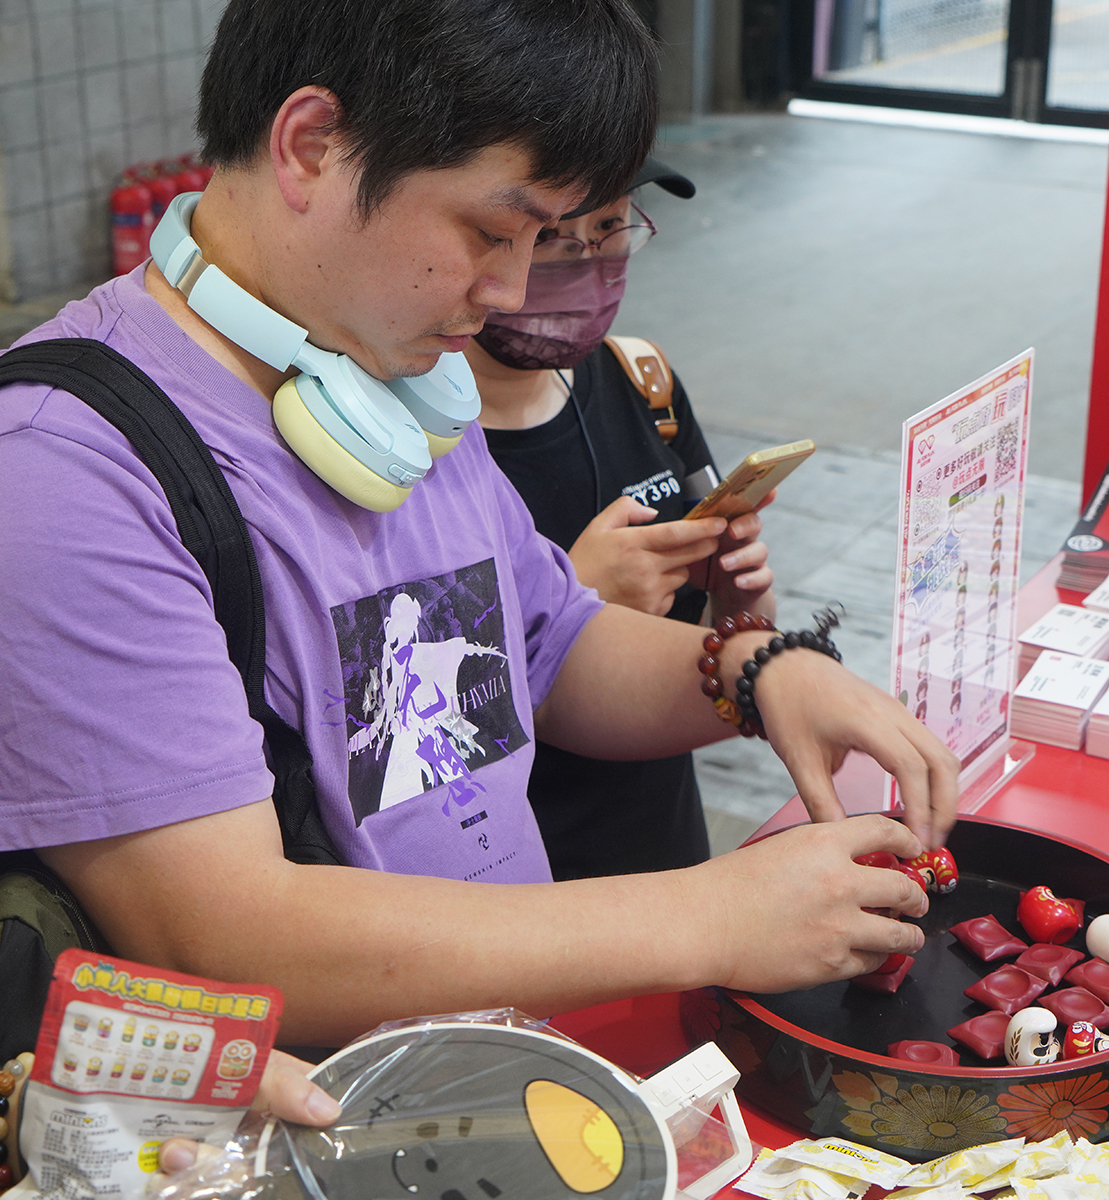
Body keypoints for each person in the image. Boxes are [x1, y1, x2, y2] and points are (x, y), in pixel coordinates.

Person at [0, 0, 958, 1052]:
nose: (509, 291)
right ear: (311, 146)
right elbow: (221, 934)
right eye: (494, 232)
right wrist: (706, 917)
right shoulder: (65, 469)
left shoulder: (391, 373)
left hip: (490, 1067)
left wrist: (755, 669)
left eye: (545, 238)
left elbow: (544, 644)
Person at [472, 158, 771, 879]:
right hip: (522, 891)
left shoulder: (645, 383)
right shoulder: (410, 453)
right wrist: (567, 605)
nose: (586, 263)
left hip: (669, 858)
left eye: (609, 227)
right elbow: (411, 729)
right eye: (552, 237)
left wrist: (741, 601)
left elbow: (715, 654)